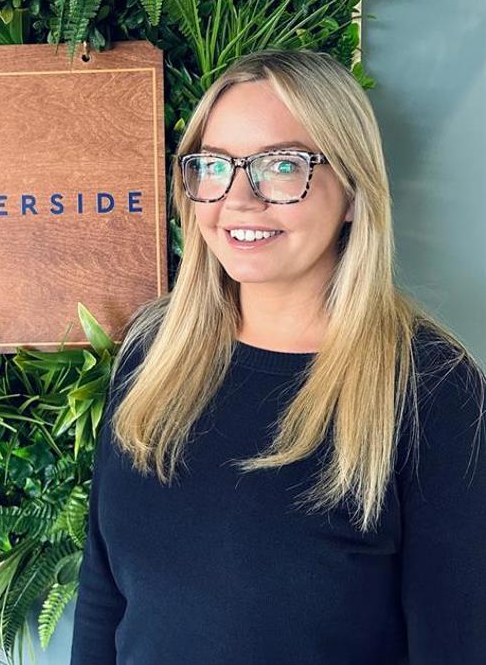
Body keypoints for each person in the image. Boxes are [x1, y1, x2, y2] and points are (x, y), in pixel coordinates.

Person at [69, 49, 486, 664]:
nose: (239, 200)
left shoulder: (429, 386)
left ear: (352, 191)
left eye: (282, 166)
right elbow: (104, 596)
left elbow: (456, 642)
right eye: (214, 166)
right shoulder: (153, 351)